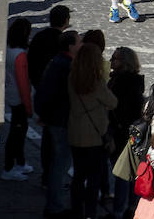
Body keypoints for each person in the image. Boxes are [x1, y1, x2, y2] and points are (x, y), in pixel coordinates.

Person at [67, 43, 117, 219]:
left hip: (75, 134)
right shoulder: (96, 83)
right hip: (95, 137)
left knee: (78, 177)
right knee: (94, 179)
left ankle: (76, 211)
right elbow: (113, 102)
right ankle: (90, 213)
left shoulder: (72, 79)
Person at [36, 30, 81, 218]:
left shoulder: (58, 62)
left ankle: (55, 204)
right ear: (70, 46)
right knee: (60, 165)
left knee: (58, 163)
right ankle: (55, 207)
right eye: (78, 42)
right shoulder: (66, 66)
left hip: (55, 119)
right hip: (61, 121)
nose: (81, 45)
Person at [106, 47, 144, 218]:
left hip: (121, 133)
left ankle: (120, 210)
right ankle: (130, 206)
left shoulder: (122, 83)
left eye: (115, 59)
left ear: (125, 62)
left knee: (122, 174)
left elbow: (121, 110)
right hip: (129, 133)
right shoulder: (131, 81)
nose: (111, 62)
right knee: (129, 173)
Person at [2, 18, 33, 182]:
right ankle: (9, 167)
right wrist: (29, 107)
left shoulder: (8, 49)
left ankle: (20, 162)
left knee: (18, 131)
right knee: (17, 133)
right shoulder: (20, 55)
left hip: (10, 93)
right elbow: (23, 84)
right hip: (19, 98)